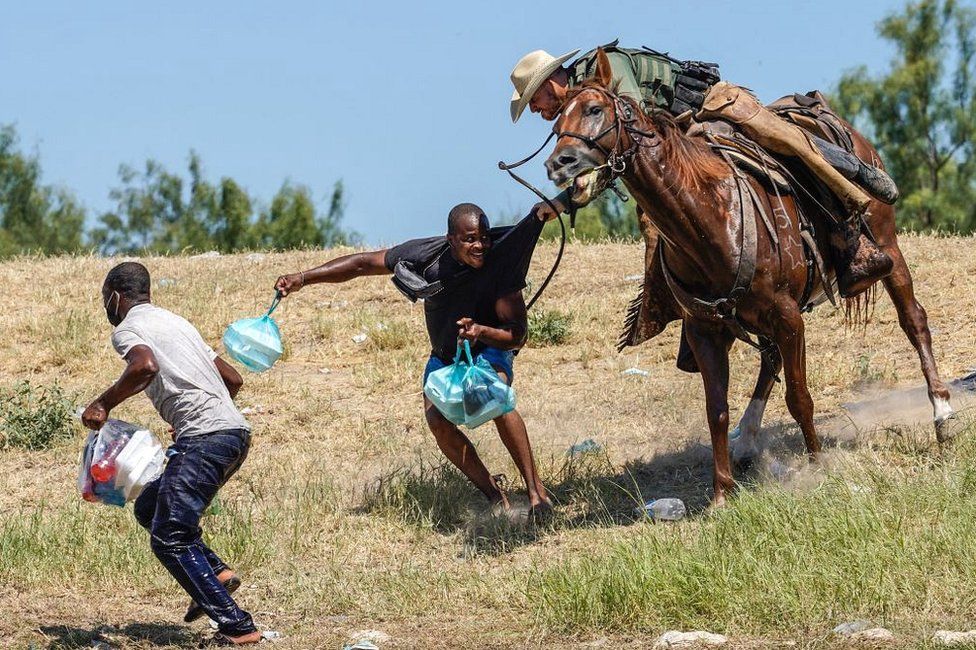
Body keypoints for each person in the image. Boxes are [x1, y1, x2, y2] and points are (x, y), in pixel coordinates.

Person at [511, 42, 899, 304]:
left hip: (712, 107)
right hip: (680, 139)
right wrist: (564, 197)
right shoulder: (579, 111)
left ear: (550, 82)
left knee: (785, 143)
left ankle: (853, 194)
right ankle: (680, 304)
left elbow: (635, 131)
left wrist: (567, 197)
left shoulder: (603, 70)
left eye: (535, 100)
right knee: (657, 218)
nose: (535, 110)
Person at [274, 203, 554, 519]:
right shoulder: (425, 255)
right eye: (470, 239)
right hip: (445, 357)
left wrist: (481, 331)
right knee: (437, 421)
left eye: (485, 238)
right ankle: (494, 496)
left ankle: (536, 495)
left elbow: (518, 335)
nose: (480, 246)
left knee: (494, 397)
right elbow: (363, 264)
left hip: (488, 348)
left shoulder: (500, 264)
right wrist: (303, 278)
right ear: (452, 239)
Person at [82, 262, 261, 646]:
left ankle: (237, 627)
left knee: (170, 536)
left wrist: (103, 403)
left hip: (206, 438)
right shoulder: (178, 322)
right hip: (233, 434)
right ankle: (217, 574)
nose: (105, 308)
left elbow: (144, 366)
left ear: (115, 295)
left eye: (104, 299)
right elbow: (233, 379)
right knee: (150, 507)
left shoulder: (129, 328)